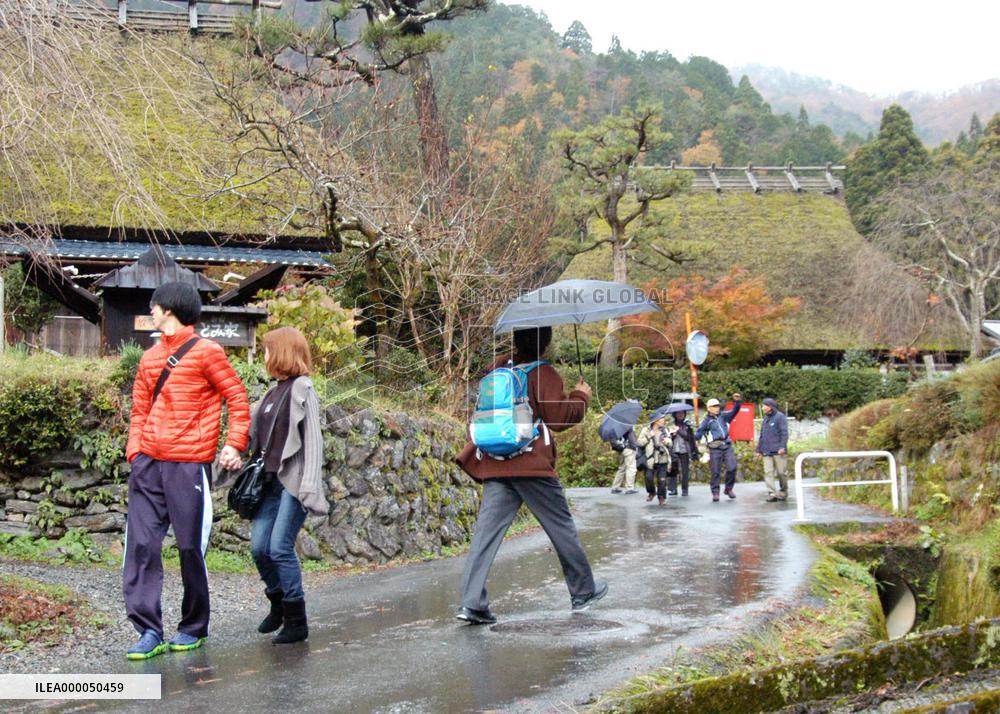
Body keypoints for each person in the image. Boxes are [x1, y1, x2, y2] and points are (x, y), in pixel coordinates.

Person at [123, 282, 250, 660]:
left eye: (154, 304)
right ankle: (148, 630)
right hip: (148, 464)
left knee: (190, 546)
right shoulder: (149, 358)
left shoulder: (208, 353)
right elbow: (139, 411)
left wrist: (234, 442)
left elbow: (237, 398)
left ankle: (193, 625)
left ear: (169, 308)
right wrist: (135, 452)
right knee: (142, 544)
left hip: (188, 465)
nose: (151, 309)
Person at [455, 326, 608, 624]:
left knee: (485, 536)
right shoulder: (543, 374)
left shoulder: (497, 369)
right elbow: (560, 418)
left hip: (496, 460)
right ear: (546, 344)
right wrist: (581, 395)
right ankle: (583, 591)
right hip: (531, 464)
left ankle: (471, 602)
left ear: (515, 340)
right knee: (561, 526)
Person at [249, 327, 329, 645]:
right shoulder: (271, 394)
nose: (265, 355)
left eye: (268, 349)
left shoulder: (303, 390)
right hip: (268, 484)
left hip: (293, 484)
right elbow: (255, 439)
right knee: (259, 548)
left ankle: (297, 620)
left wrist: (309, 486)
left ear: (281, 351)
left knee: (280, 547)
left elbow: (314, 441)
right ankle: (279, 603)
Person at [694, 393, 743, 502]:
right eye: (714, 406)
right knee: (715, 471)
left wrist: (737, 402)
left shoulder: (723, 416)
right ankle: (715, 492)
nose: (717, 408)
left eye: (717, 405)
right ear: (709, 408)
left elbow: (735, 411)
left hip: (727, 445)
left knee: (732, 467)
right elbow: (698, 435)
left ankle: (728, 489)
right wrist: (691, 433)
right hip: (714, 448)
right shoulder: (706, 421)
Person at [756, 397, 789, 502]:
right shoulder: (765, 419)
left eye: (764, 406)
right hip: (766, 450)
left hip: (779, 450)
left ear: (770, 407)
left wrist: (782, 446)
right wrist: (759, 450)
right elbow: (762, 435)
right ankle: (772, 493)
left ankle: (783, 491)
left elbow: (784, 433)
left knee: (781, 472)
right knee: (768, 472)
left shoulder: (780, 417)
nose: (762, 408)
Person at [638, 417, 671, 504]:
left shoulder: (664, 430)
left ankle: (661, 497)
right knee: (648, 478)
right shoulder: (646, 430)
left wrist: (666, 441)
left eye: (664, 419)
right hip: (650, 459)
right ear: (656, 421)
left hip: (662, 458)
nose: (663, 421)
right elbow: (639, 443)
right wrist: (649, 436)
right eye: (661, 419)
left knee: (662, 480)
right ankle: (652, 492)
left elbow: (670, 442)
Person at [666, 411, 699, 497]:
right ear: (674, 415)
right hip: (673, 449)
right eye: (678, 413)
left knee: (685, 471)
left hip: (684, 450)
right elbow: (668, 438)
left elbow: (688, 437)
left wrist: (678, 430)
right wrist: (672, 434)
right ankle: (673, 489)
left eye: (682, 413)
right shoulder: (671, 424)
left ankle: (685, 489)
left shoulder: (687, 425)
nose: (680, 415)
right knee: (673, 470)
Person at [610, 427, 639, 494]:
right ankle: (629, 488)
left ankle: (615, 487)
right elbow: (631, 439)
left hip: (622, 449)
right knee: (631, 468)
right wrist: (635, 447)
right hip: (629, 448)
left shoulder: (616, 426)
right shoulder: (626, 425)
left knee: (622, 468)